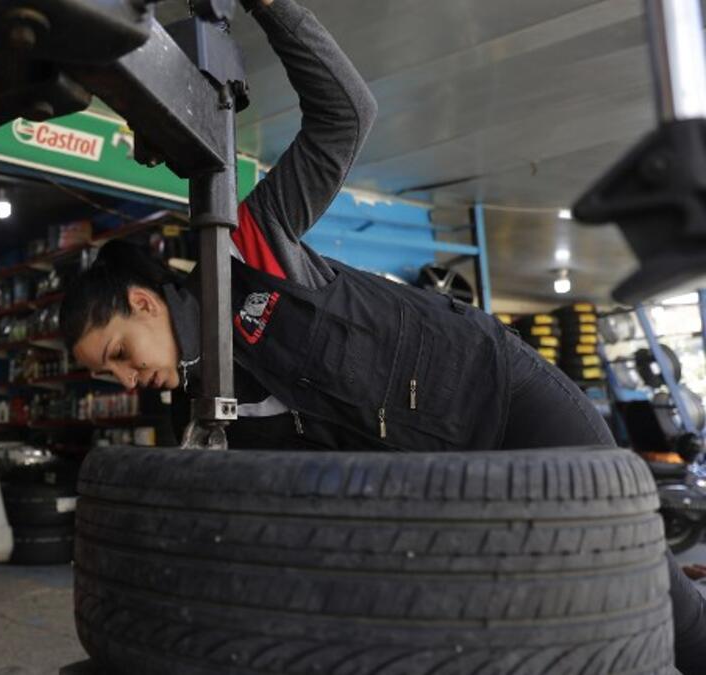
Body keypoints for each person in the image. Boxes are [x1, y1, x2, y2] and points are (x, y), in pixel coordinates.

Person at [57, 0, 706, 670]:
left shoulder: (246, 250)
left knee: (632, 558)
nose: (128, 382)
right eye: (111, 377)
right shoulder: (201, 418)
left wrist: (270, 8)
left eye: (120, 356)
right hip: (432, 498)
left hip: (503, 402)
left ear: (143, 302)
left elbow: (346, 114)